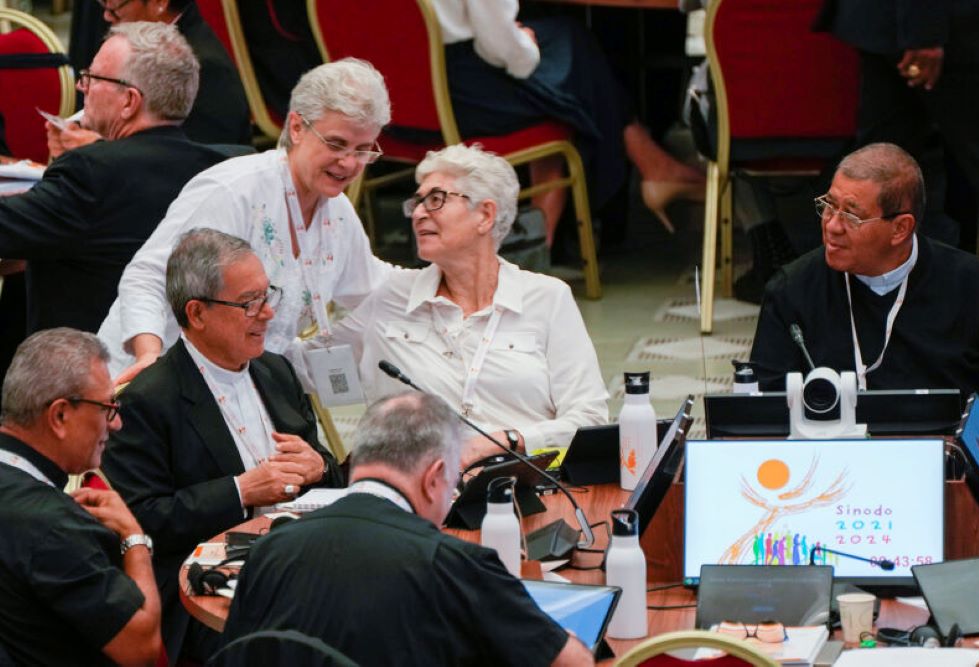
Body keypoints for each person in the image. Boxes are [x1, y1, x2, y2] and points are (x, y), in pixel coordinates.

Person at [101, 228, 343, 663]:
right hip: (204, 587)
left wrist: (319, 467)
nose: (268, 313)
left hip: (299, 560)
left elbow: (326, 472)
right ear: (197, 313)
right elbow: (140, 518)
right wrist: (240, 491)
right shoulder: (149, 399)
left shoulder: (275, 371)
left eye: (268, 295)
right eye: (250, 302)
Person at [221, 391, 593, 667]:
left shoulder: (270, 549)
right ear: (435, 477)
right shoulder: (453, 563)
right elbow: (573, 664)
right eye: (454, 483)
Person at [300, 144, 607, 465]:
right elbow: (303, 369)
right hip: (422, 492)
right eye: (417, 202)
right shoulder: (392, 299)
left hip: (528, 480)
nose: (418, 213)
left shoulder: (547, 298)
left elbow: (589, 419)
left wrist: (504, 442)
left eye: (436, 200)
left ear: (485, 215)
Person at [98, 57, 394, 383]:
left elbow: (372, 286)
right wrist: (149, 356)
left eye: (363, 149)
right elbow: (149, 276)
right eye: (336, 144)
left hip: (238, 385)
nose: (349, 163)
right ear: (296, 127)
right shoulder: (234, 190)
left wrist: (445, 276)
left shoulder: (337, 213)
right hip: (149, 377)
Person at [0, 21, 232, 335]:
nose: (82, 87)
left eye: (92, 78)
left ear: (129, 102)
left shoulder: (91, 173)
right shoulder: (219, 165)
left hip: (89, 367)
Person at [750, 143, 979, 412]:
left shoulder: (974, 286)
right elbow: (766, 409)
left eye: (851, 215)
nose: (832, 226)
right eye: (829, 206)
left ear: (900, 229)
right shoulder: (792, 290)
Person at [428, 0, 704, 244]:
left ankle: (655, 167)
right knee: (572, 60)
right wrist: (526, 45)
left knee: (568, 52)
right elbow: (497, 41)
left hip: (414, 102)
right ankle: (654, 167)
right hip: (468, 97)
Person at [0, 328, 161, 665]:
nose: (115, 425)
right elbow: (142, 649)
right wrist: (134, 539)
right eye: (107, 406)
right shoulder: (53, 527)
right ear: (60, 416)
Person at [815, 0, 979, 259]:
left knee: (877, 176)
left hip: (900, 24)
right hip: (940, 27)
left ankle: (853, 288)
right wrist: (924, 31)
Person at [53, 0, 251, 150]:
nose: (106, 17)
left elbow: (189, 161)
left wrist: (99, 148)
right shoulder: (149, 45)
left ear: (159, 2)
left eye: (114, 8)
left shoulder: (204, 67)